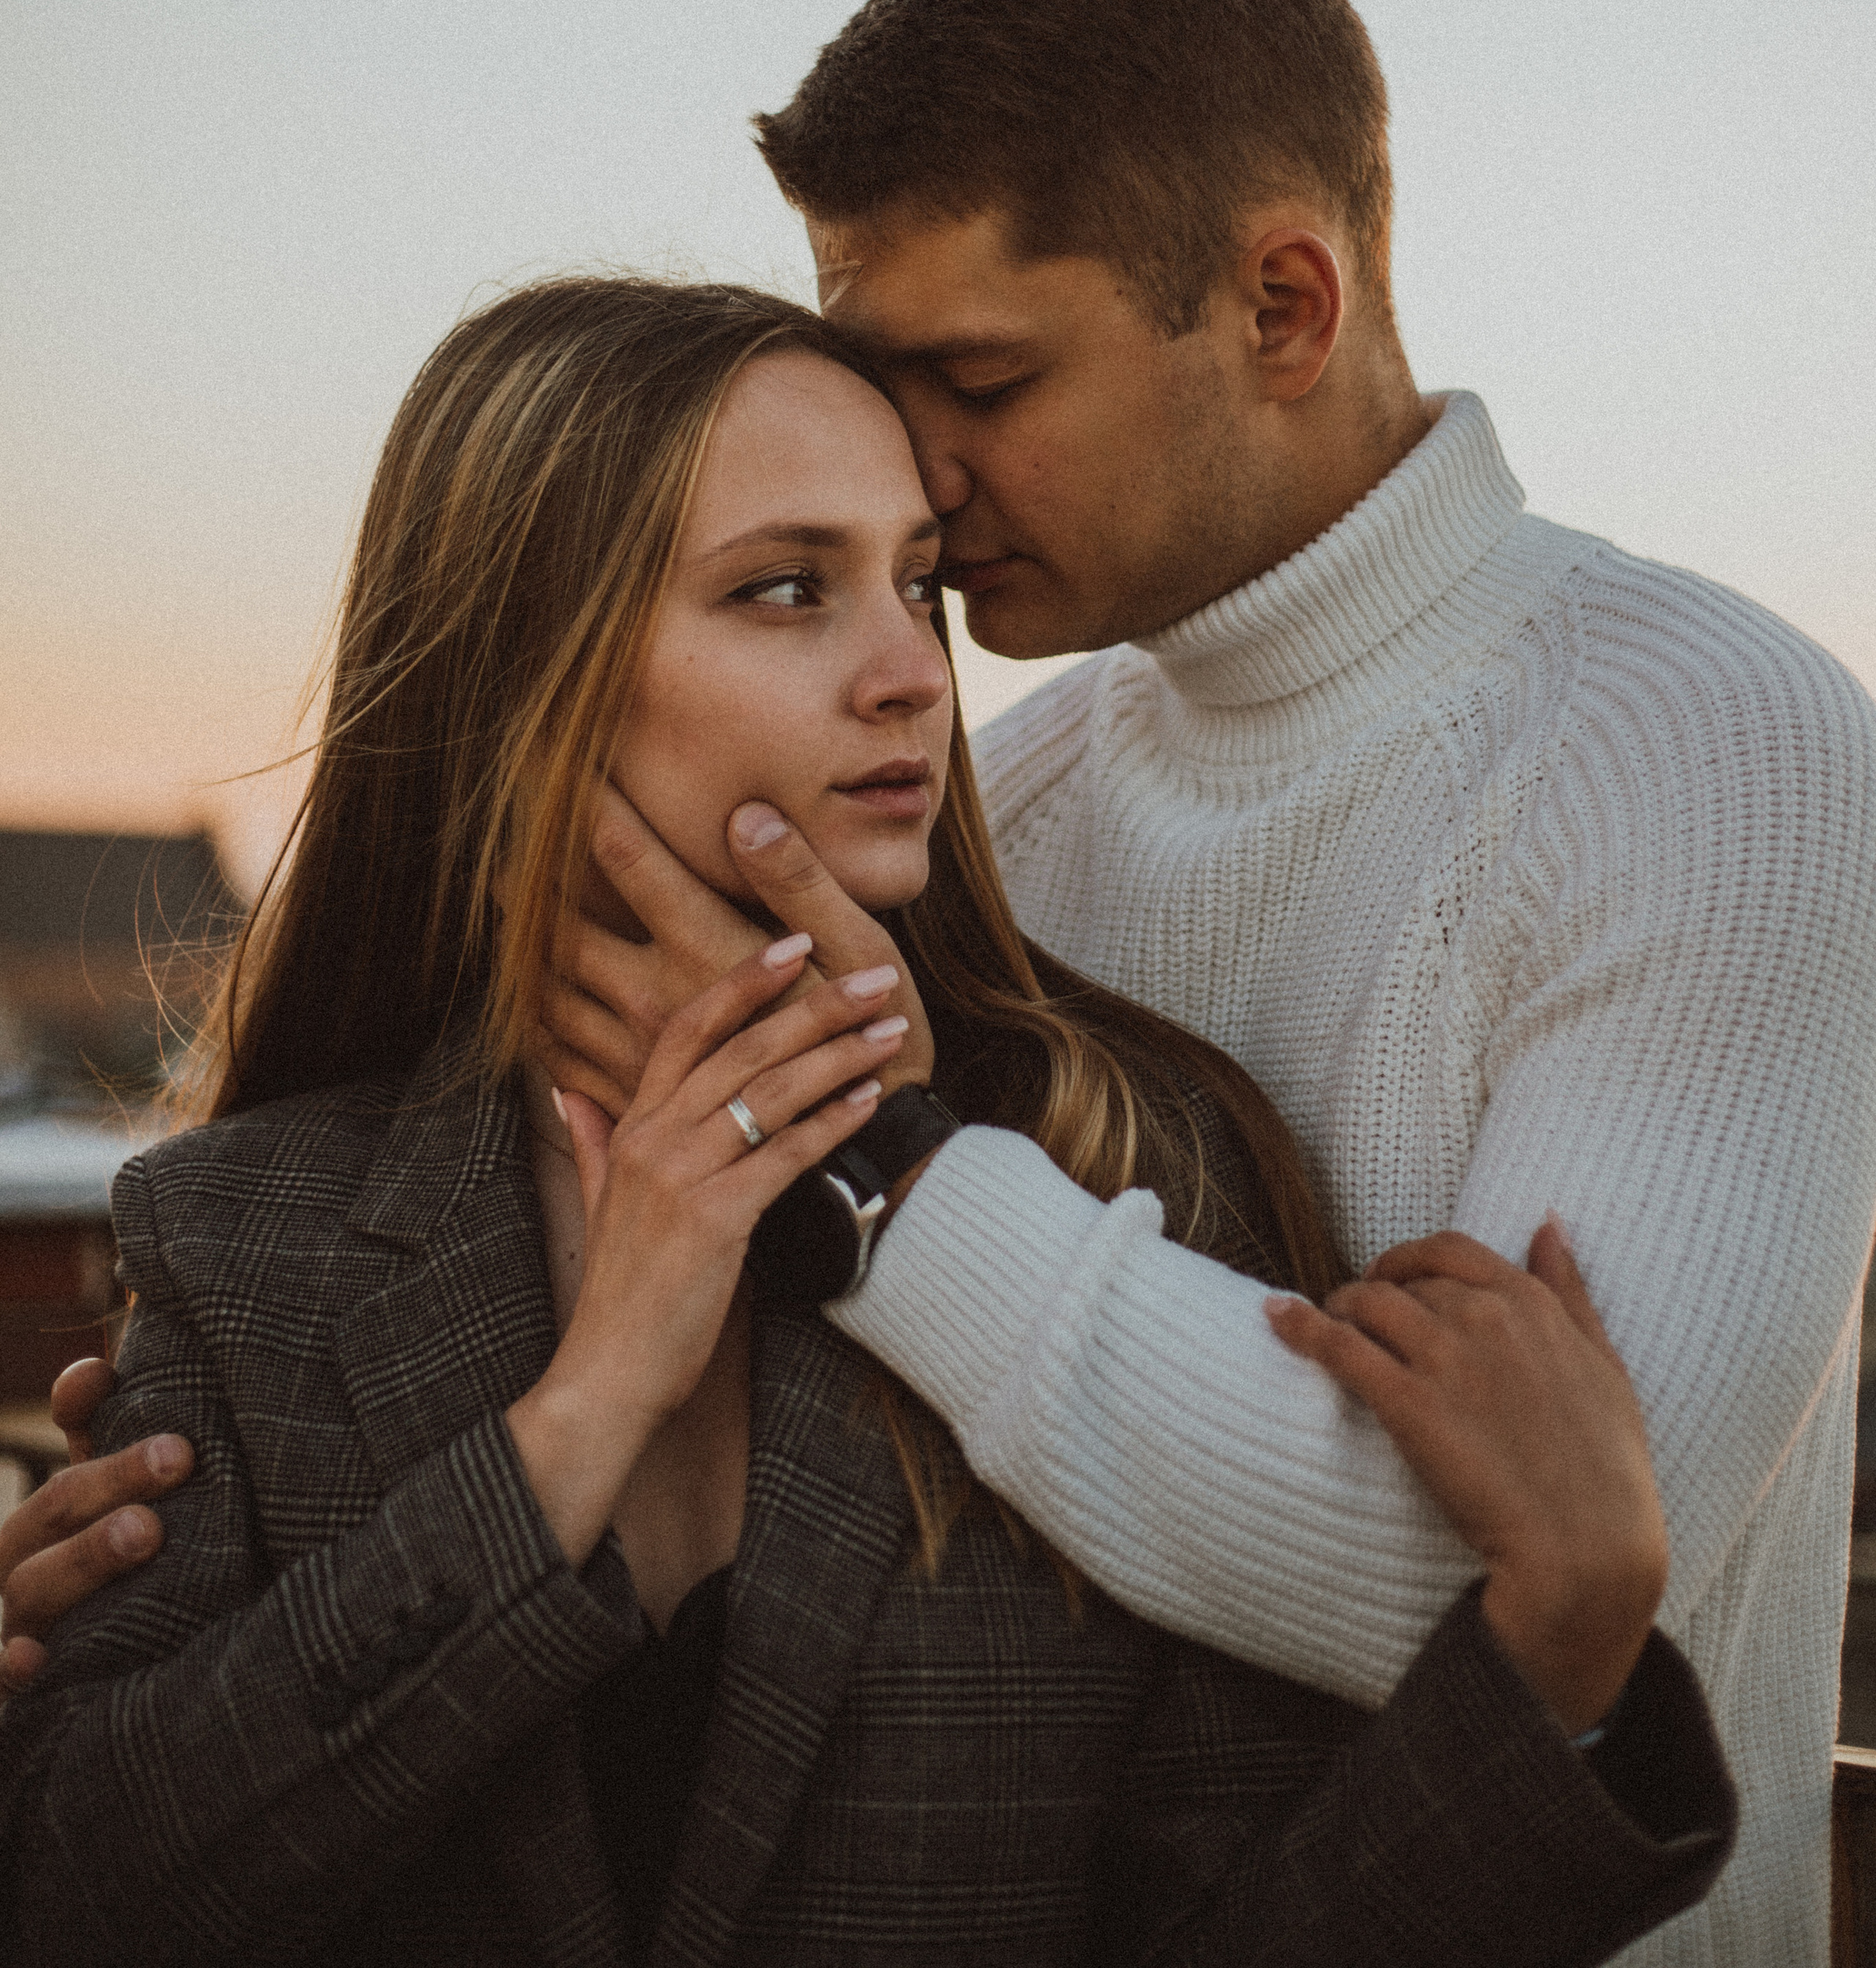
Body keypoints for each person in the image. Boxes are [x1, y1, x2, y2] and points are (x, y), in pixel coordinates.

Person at [0, 276, 1733, 1967]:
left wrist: (1553, 1666)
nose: (912, 672)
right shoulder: (245, 1235)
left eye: (916, 583)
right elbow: (75, 1898)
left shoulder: (1127, 1158)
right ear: (524, 665)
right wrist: (582, 1419)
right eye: (784, 590)